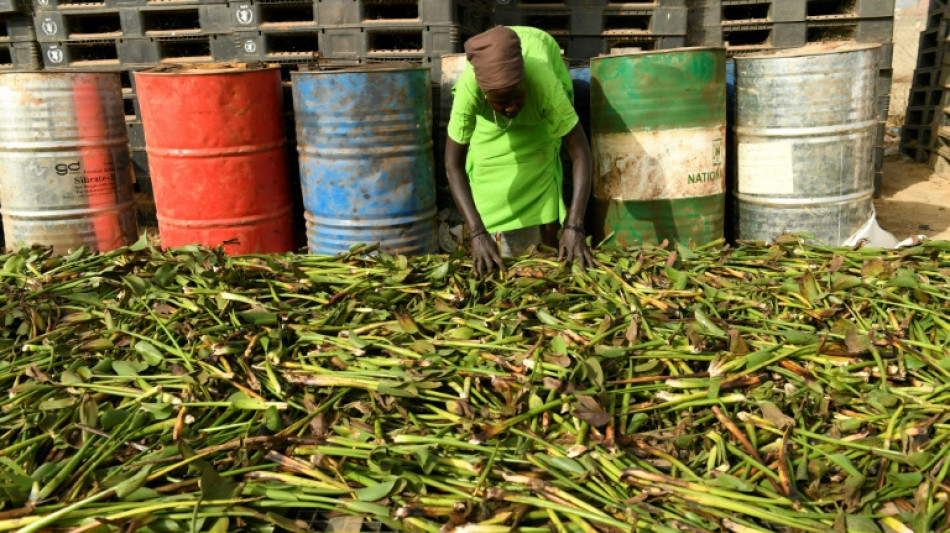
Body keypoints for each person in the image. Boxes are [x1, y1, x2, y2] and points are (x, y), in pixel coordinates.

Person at [445, 25, 594, 277]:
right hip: (490, 117)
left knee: (541, 164)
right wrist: (478, 233)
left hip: (538, 111)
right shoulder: (470, 92)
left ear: (525, 81)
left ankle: (550, 250)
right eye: (502, 102)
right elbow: (453, 165)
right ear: (483, 95)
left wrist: (575, 226)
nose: (512, 108)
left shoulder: (544, 84)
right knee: (483, 169)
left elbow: (580, 152)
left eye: (516, 97)